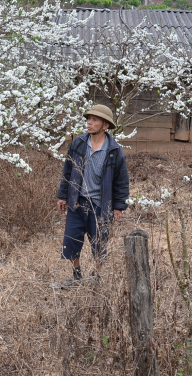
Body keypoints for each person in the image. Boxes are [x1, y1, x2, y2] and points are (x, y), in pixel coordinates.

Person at [54, 104, 129, 288]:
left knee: (99, 244)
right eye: (88, 119)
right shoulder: (79, 143)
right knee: (71, 240)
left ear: (105, 125)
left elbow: (121, 181)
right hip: (77, 202)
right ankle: (76, 275)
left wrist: (118, 206)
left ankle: (97, 278)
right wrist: (63, 195)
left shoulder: (114, 151)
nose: (89, 122)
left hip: (99, 205)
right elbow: (68, 170)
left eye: (95, 120)